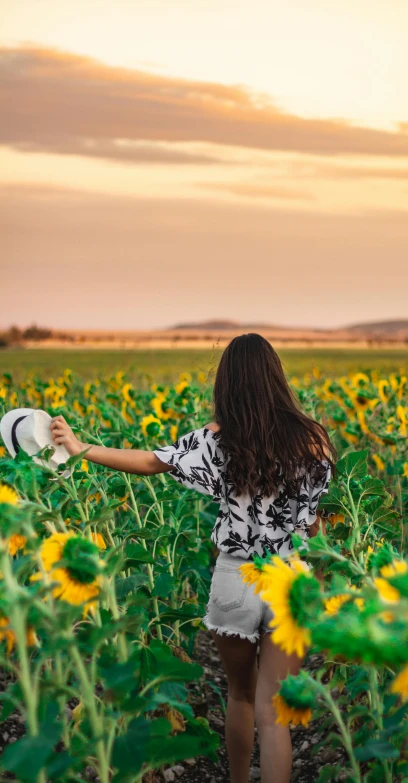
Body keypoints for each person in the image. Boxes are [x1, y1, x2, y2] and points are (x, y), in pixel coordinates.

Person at [50, 333, 337, 783]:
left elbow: (150, 461)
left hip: (234, 578)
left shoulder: (216, 438)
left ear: (227, 384)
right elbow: (314, 523)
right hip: (289, 580)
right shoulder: (313, 439)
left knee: (240, 696)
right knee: (276, 711)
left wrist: (81, 448)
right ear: (276, 376)